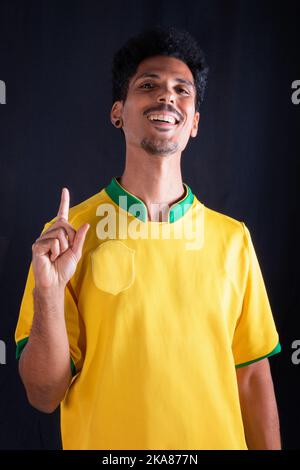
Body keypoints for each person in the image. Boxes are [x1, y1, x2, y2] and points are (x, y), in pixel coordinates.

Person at [15, 26, 281, 450]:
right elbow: (43, 396)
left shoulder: (234, 241)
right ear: (117, 112)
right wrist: (48, 293)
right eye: (149, 85)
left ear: (194, 123)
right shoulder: (65, 242)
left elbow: (251, 378)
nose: (166, 97)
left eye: (182, 90)